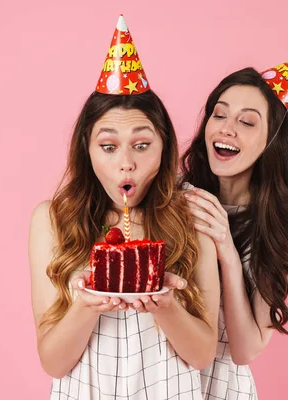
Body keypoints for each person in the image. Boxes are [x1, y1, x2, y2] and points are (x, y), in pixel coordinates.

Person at [28, 15, 220, 399]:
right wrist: (87, 304)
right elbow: (52, 362)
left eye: (142, 144)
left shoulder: (191, 217)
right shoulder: (52, 220)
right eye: (109, 146)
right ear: (87, 149)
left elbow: (202, 355)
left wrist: (165, 306)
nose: (126, 163)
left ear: (164, 147)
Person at [178, 50, 288, 399]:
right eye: (219, 114)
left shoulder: (281, 224)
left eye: (247, 121)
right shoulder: (177, 196)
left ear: (271, 140)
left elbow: (245, 350)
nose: (226, 128)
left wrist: (227, 250)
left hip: (222, 386)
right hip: (163, 373)